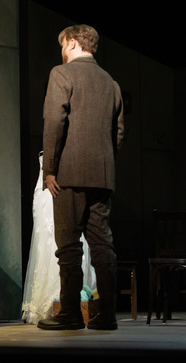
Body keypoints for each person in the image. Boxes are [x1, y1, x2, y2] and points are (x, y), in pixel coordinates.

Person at [37, 24, 125, 331]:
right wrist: (103, 163)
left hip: (69, 174)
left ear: (72, 43)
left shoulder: (62, 74)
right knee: (103, 244)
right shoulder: (111, 83)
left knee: (69, 246)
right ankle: (108, 315)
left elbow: (54, 121)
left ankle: (71, 313)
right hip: (103, 175)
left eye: (63, 45)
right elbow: (118, 132)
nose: (62, 52)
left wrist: (50, 168)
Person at [21, 152, 96, 325]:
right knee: (47, 243)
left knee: (68, 238)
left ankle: (72, 302)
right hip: (47, 192)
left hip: (67, 186)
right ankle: (56, 303)